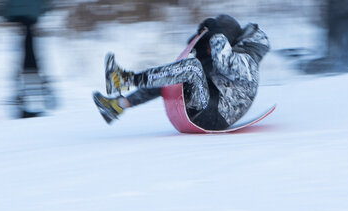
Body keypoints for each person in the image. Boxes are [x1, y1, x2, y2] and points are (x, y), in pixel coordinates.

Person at [92, 14, 270, 130]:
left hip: (215, 115)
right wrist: (199, 43)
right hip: (206, 104)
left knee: (192, 67)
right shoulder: (221, 56)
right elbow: (184, 70)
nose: (209, 49)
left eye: (211, 45)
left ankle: (125, 80)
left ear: (226, 41)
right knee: (174, 75)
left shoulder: (247, 62)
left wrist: (215, 33)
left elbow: (225, 63)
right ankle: (117, 106)